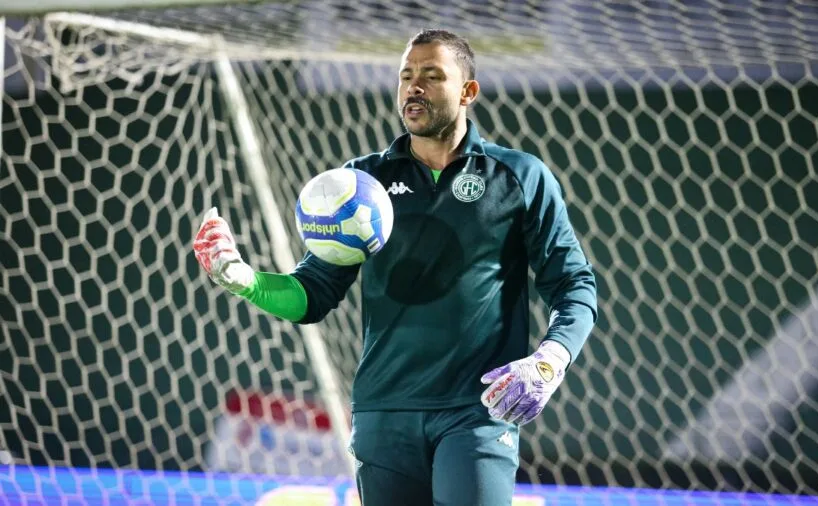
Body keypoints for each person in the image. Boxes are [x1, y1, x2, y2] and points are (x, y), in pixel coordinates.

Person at [193, 29, 597, 506]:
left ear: (468, 92)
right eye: (406, 76)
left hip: (477, 411)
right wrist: (242, 278)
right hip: (384, 414)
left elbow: (574, 284)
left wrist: (550, 359)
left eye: (431, 75)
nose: (414, 87)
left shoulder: (520, 176)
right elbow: (312, 295)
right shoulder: (359, 185)